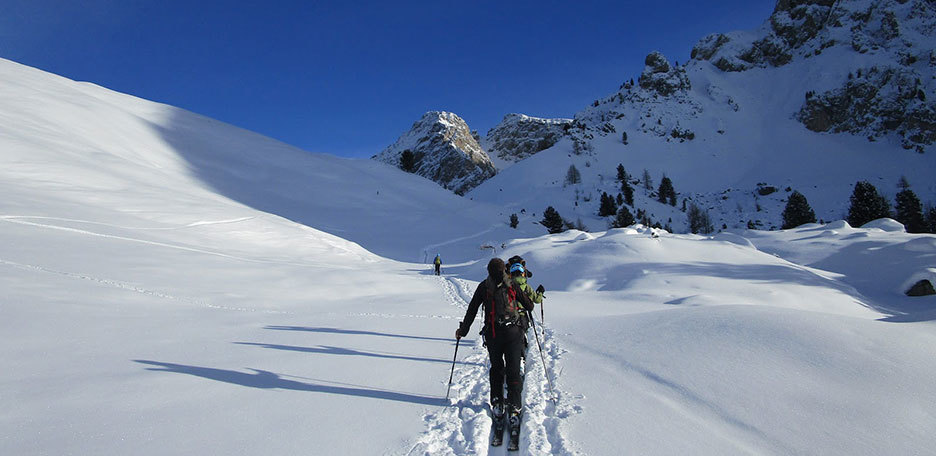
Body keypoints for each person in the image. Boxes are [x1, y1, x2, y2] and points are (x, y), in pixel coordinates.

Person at [455, 257, 535, 446]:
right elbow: (529, 305)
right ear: (504, 269)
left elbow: (472, 310)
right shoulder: (512, 284)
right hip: (514, 333)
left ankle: (498, 405)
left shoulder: (484, 286)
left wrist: (462, 331)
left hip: (493, 334)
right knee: (514, 369)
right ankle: (514, 409)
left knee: (497, 368)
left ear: (489, 271)